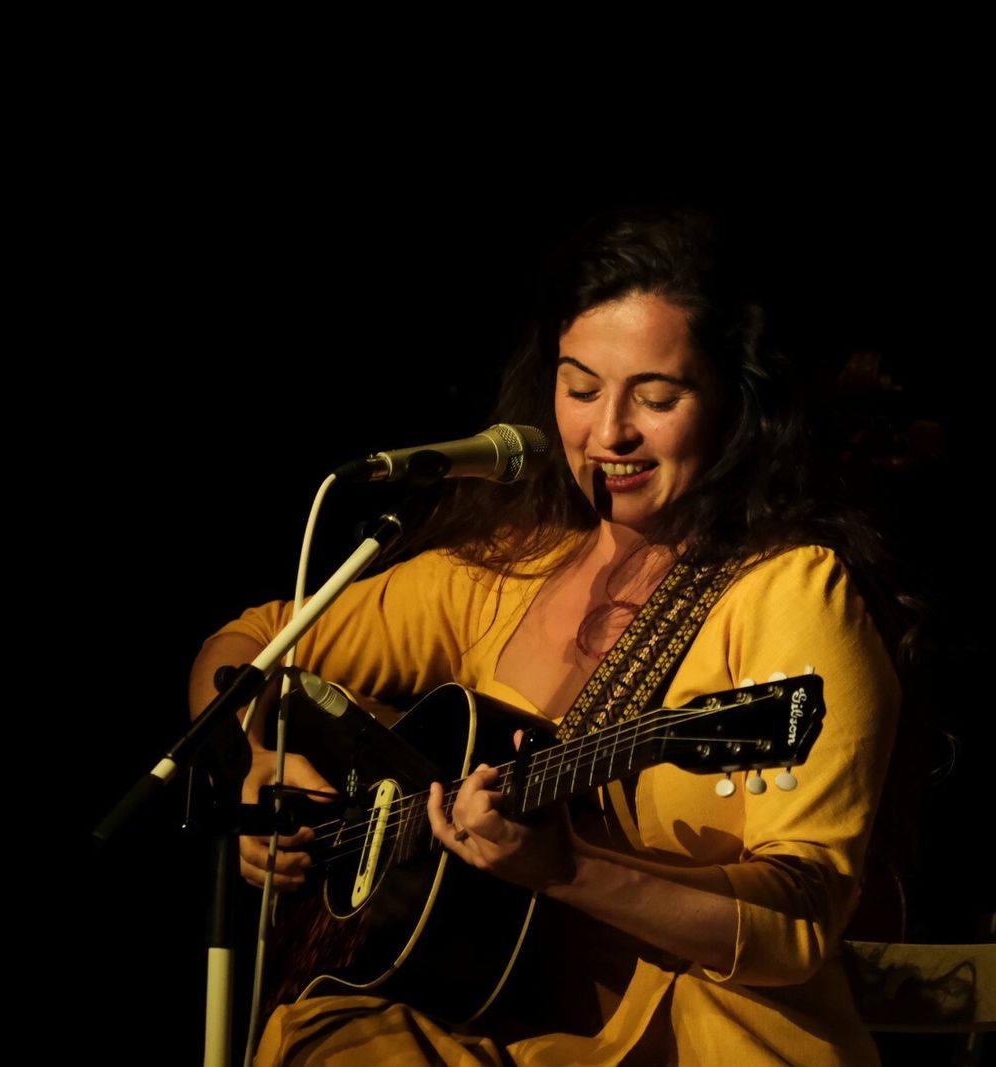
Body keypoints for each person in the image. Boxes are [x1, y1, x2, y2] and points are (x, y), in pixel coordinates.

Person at [189, 205, 911, 1065]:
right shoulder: (503, 573)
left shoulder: (792, 591)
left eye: (657, 395)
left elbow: (799, 922)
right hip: (502, 1033)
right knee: (317, 1033)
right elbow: (250, 645)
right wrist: (258, 759)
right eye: (581, 389)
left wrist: (565, 869)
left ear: (733, 404)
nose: (610, 434)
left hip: (700, 1045)